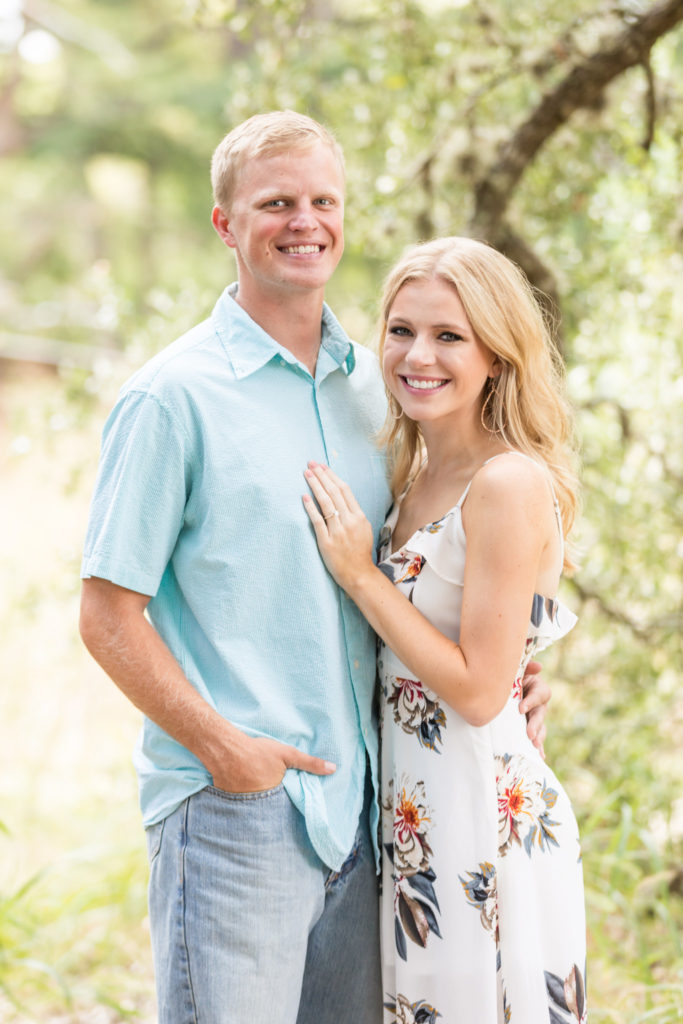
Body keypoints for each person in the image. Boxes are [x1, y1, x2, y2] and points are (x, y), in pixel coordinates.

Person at [79, 112, 550, 1024]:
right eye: (275, 203)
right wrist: (226, 751)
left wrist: (520, 665)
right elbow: (105, 616)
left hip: (376, 815)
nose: (304, 221)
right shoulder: (172, 398)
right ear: (225, 224)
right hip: (237, 813)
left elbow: (453, 552)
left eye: (322, 200)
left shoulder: (379, 388)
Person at [303, 236, 586, 1024]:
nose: (416, 355)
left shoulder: (507, 481)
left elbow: (473, 690)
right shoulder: (413, 475)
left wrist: (360, 574)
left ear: (496, 355)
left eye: (448, 336)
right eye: (400, 330)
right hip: (413, 813)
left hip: (480, 819)